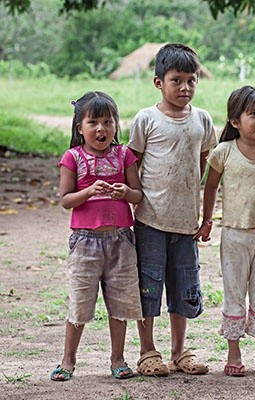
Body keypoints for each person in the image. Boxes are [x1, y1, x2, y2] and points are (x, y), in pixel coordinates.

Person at [127, 43, 217, 377]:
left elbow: (204, 164)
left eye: (191, 80)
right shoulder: (146, 119)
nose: (185, 88)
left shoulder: (203, 120)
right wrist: (132, 200)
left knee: (184, 286)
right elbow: (131, 163)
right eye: (176, 80)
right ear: (158, 82)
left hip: (186, 223)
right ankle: (148, 351)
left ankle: (180, 351)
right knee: (148, 286)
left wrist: (206, 217)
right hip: (150, 220)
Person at [198, 86, 255, 377]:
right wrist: (207, 220)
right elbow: (211, 186)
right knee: (234, 293)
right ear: (236, 121)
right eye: (254, 114)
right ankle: (234, 353)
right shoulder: (224, 152)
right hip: (234, 235)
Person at [51, 91, 143, 381]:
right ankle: (68, 361)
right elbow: (66, 199)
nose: (101, 129)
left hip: (121, 240)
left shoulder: (124, 154)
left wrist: (124, 192)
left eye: (108, 122)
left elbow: (138, 193)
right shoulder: (72, 157)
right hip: (85, 242)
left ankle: (118, 359)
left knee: (121, 304)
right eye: (93, 122)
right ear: (80, 127)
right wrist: (89, 191)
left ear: (116, 125)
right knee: (80, 302)